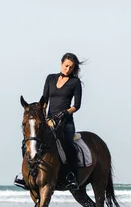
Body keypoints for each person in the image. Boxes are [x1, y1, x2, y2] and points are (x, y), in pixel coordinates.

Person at [15, 53, 83, 191]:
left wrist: (64, 112)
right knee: (29, 142)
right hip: (50, 119)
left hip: (66, 121)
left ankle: (71, 176)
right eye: (66, 66)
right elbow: (44, 100)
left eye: (71, 67)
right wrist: (42, 116)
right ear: (61, 64)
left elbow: (77, 105)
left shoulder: (75, 82)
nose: (68, 69)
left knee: (68, 144)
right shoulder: (50, 78)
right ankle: (25, 175)